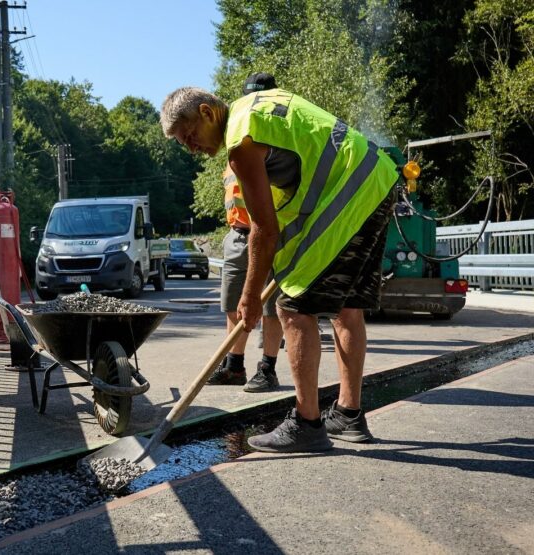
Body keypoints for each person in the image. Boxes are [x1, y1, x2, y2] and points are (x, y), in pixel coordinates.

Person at [160, 84, 398, 452]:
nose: (191, 148)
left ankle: (307, 424)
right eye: (183, 144)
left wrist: (251, 295)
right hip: (378, 180)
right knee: (347, 308)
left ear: (207, 113)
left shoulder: (240, 142)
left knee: (292, 307)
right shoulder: (259, 105)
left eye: (190, 136)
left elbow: (263, 229)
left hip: (349, 197)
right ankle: (348, 415)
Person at [207, 73, 284, 393]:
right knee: (233, 305)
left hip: (269, 236)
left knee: (270, 307)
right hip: (237, 236)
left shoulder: (277, 141)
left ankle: (267, 368)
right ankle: (234, 365)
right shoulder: (236, 139)